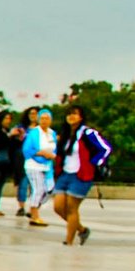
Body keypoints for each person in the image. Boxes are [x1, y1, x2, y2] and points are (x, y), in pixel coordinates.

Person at [51, 104, 111, 246]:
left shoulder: (87, 133)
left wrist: (94, 162)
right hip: (65, 173)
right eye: (69, 114)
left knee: (72, 208)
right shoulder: (65, 134)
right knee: (58, 207)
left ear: (81, 117)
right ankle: (81, 229)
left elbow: (105, 148)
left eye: (75, 114)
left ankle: (69, 240)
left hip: (81, 175)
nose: (71, 117)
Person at [22, 108, 57, 228]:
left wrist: (52, 155)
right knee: (38, 189)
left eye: (47, 118)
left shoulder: (52, 133)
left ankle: (35, 206)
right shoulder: (33, 133)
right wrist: (41, 153)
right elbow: (27, 150)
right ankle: (35, 214)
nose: (44, 121)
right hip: (34, 165)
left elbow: (55, 149)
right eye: (42, 118)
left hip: (47, 166)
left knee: (49, 189)